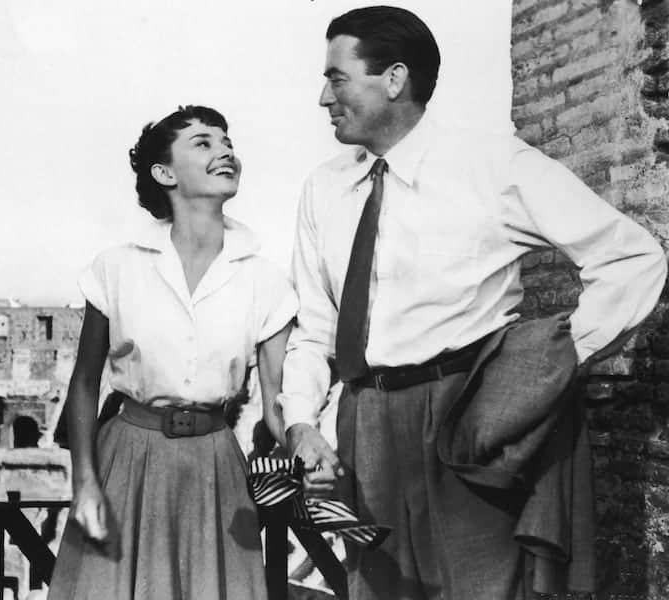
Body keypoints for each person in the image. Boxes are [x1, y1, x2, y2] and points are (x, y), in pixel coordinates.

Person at [278, 6, 667, 600]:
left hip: (467, 421)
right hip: (365, 425)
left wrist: (546, 364)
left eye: (335, 78)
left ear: (394, 79)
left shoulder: (491, 163)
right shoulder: (323, 188)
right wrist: (303, 420)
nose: (322, 98)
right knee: (378, 591)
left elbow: (633, 259)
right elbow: (315, 327)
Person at [48, 105, 297, 600]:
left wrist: (304, 451)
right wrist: (85, 483)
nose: (225, 150)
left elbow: (277, 403)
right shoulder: (117, 267)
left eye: (227, 141)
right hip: (126, 464)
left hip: (216, 473)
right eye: (203, 143)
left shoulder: (265, 279)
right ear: (164, 173)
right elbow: (84, 383)